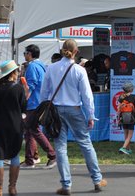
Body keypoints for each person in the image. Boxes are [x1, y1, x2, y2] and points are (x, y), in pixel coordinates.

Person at [40, 39, 107, 195]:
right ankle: (97, 180)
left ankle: (66, 185)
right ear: (76, 52)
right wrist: (90, 114)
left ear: (63, 50)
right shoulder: (79, 70)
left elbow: (44, 92)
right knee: (85, 144)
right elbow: (86, 95)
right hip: (74, 110)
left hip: (56, 110)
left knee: (60, 147)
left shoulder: (51, 68)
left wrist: (45, 108)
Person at [0, 60, 26, 196]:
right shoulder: (19, 88)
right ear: (13, 73)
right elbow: (23, 108)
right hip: (15, 125)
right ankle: (12, 188)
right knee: (14, 154)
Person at [20, 44, 56, 169]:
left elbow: (30, 86)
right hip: (41, 102)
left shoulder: (32, 66)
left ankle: (52, 155)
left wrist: (23, 100)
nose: (24, 55)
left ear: (29, 54)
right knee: (30, 130)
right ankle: (30, 159)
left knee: (33, 130)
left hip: (33, 103)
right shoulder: (42, 66)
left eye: (25, 53)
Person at [117, 82, 135, 155]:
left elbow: (118, 108)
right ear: (131, 89)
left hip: (123, 118)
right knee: (130, 135)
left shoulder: (121, 97)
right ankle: (123, 148)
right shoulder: (134, 97)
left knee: (126, 134)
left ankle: (128, 149)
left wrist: (118, 118)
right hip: (131, 118)